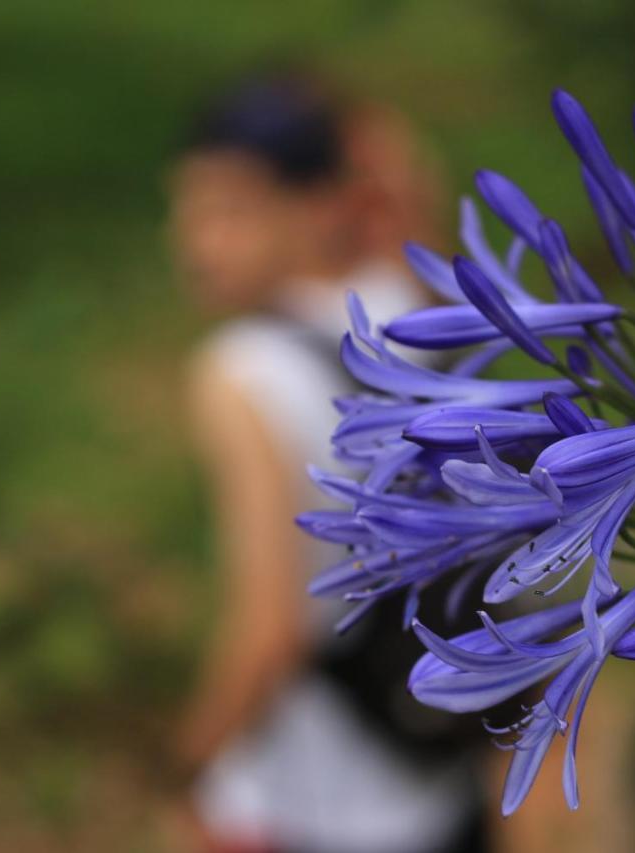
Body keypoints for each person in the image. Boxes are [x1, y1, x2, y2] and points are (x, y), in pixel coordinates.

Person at [168, 75, 489, 853]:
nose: (192, 241)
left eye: (231, 210)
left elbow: (271, 629)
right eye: (184, 209)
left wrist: (186, 769)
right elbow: (418, 217)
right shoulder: (414, 310)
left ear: (320, 204)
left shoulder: (238, 370)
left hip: (310, 810)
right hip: (442, 778)